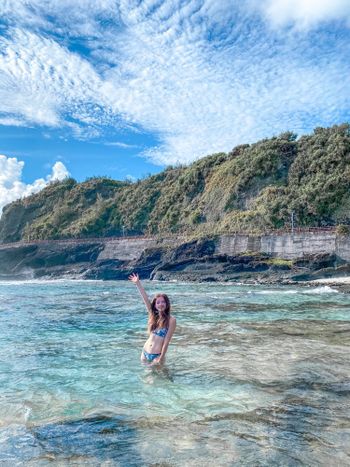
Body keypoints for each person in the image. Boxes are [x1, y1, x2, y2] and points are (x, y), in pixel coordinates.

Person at [128, 272, 176, 365]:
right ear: (155, 305)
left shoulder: (171, 320)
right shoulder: (153, 316)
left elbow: (166, 341)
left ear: (167, 304)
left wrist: (161, 358)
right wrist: (138, 283)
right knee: (146, 378)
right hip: (144, 353)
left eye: (163, 302)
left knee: (164, 377)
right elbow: (145, 299)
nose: (161, 304)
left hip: (157, 355)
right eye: (158, 302)